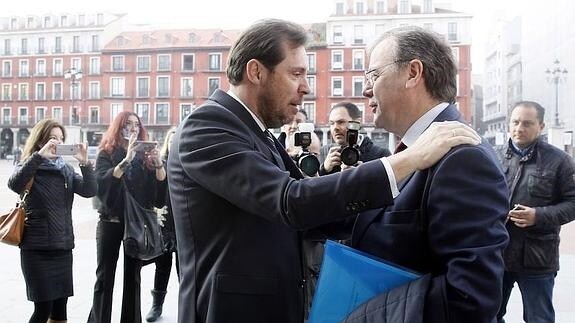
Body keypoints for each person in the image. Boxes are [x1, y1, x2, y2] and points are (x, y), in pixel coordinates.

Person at [167, 19, 481, 323]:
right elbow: (293, 202)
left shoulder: (257, 131)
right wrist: (410, 159)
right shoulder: (206, 127)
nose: (306, 87)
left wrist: (402, 212)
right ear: (256, 72)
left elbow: (315, 210)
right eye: (296, 73)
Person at [349, 26, 509, 323]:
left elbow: (470, 297)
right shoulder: (414, 150)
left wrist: (366, 315)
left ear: (413, 73)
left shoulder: (463, 158)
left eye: (373, 75)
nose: (366, 89)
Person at [7, 119, 96, 323]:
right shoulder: (30, 165)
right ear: (40, 142)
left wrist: (85, 163)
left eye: (61, 139)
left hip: (62, 248)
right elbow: (14, 184)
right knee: (43, 308)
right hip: (37, 249)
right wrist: (38, 157)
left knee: (60, 308)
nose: (58, 142)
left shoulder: (65, 169)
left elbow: (90, 191)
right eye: (53, 138)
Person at [496, 101, 575, 323]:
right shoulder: (493, 156)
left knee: (539, 318)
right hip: (497, 252)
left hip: (537, 256)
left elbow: (572, 202)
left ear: (541, 126)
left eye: (527, 123)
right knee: (489, 314)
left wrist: (538, 215)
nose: (519, 128)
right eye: (515, 122)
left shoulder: (560, 161)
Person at [87, 111, 167, 323]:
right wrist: (126, 160)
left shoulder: (145, 158)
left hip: (136, 225)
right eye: (127, 123)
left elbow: (159, 198)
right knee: (104, 277)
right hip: (110, 222)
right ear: (118, 126)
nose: (132, 127)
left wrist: (158, 164)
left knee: (133, 278)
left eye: (136, 124)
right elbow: (101, 186)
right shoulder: (107, 153)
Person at [144, 127, 179, 322]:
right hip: (164, 222)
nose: (174, 143)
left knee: (185, 268)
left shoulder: (188, 162)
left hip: (183, 223)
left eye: (177, 139)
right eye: (171, 139)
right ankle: (157, 305)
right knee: (162, 266)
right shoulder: (161, 164)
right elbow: (156, 194)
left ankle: (188, 305)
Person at [319, 101, 390, 175]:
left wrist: (364, 175)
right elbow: (315, 185)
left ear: (357, 123)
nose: (335, 128)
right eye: (331, 123)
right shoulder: (325, 152)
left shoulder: (381, 155)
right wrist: (324, 169)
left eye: (341, 122)